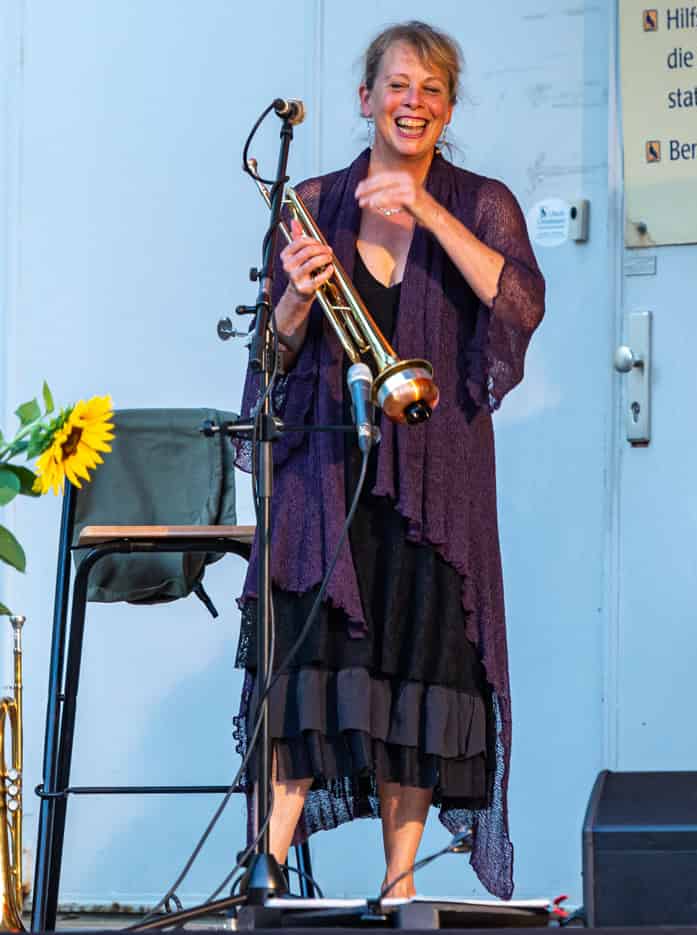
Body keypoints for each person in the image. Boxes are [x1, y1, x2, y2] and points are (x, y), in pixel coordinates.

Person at [235, 20, 545, 900]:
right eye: (399, 85)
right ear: (366, 98)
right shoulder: (312, 202)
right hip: (325, 477)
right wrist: (296, 300)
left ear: (449, 109)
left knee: (419, 672)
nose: (415, 102)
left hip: (434, 485)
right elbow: (269, 358)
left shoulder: (479, 202)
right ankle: (263, 871)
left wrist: (427, 208)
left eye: (432, 89)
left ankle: (398, 886)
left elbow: (521, 303)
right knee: (304, 671)